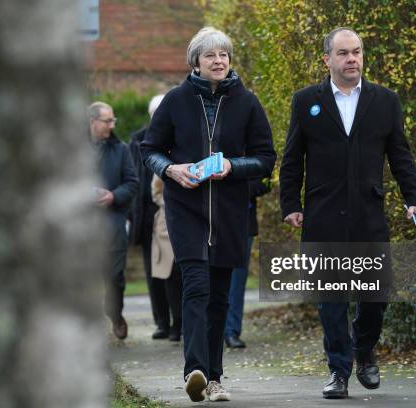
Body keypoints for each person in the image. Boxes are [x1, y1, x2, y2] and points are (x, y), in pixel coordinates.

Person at [279, 27, 416, 399]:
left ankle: (364, 350)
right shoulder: (305, 101)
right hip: (323, 213)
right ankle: (338, 371)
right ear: (327, 59)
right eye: (343, 53)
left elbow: (402, 157)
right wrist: (291, 205)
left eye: (357, 52)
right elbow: (292, 158)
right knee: (331, 300)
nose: (352, 59)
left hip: (368, 213)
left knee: (375, 296)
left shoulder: (385, 101)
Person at [140, 27, 276, 403]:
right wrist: (171, 169)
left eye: (224, 55)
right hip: (186, 209)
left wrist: (233, 165)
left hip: (230, 213)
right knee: (196, 286)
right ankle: (194, 371)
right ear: (195, 62)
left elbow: (266, 159)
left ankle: (214, 379)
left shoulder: (247, 102)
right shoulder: (175, 101)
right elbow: (150, 148)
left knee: (219, 297)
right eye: (211, 56)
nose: (219, 62)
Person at [90, 101, 138, 340]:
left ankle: (115, 314)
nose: (112, 125)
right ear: (92, 122)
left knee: (114, 277)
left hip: (113, 222)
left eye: (113, 120)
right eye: (107, 121)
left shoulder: (121, 150)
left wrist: (113, 196)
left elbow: (132, 183)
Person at [129, 94, 174, 340]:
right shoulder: (137, 140)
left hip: (171, 213)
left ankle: (178, 323)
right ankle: (161, 322)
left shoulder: (177, 135)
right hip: (147, 214)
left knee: (175, 272)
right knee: (153, 272)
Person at [224, 178, 270, 349]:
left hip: (242, 220)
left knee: (237, 279)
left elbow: (266, 181)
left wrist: (236, 185)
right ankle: (209, 331)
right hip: (209, 219)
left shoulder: (249, 151)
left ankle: (231, 331)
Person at [150, 174, 183, 342]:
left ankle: (183, 323)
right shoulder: (163, 162)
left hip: (194, 220)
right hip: (167, 223)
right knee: (170, 275)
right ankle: (175, 323)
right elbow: (156, 191)